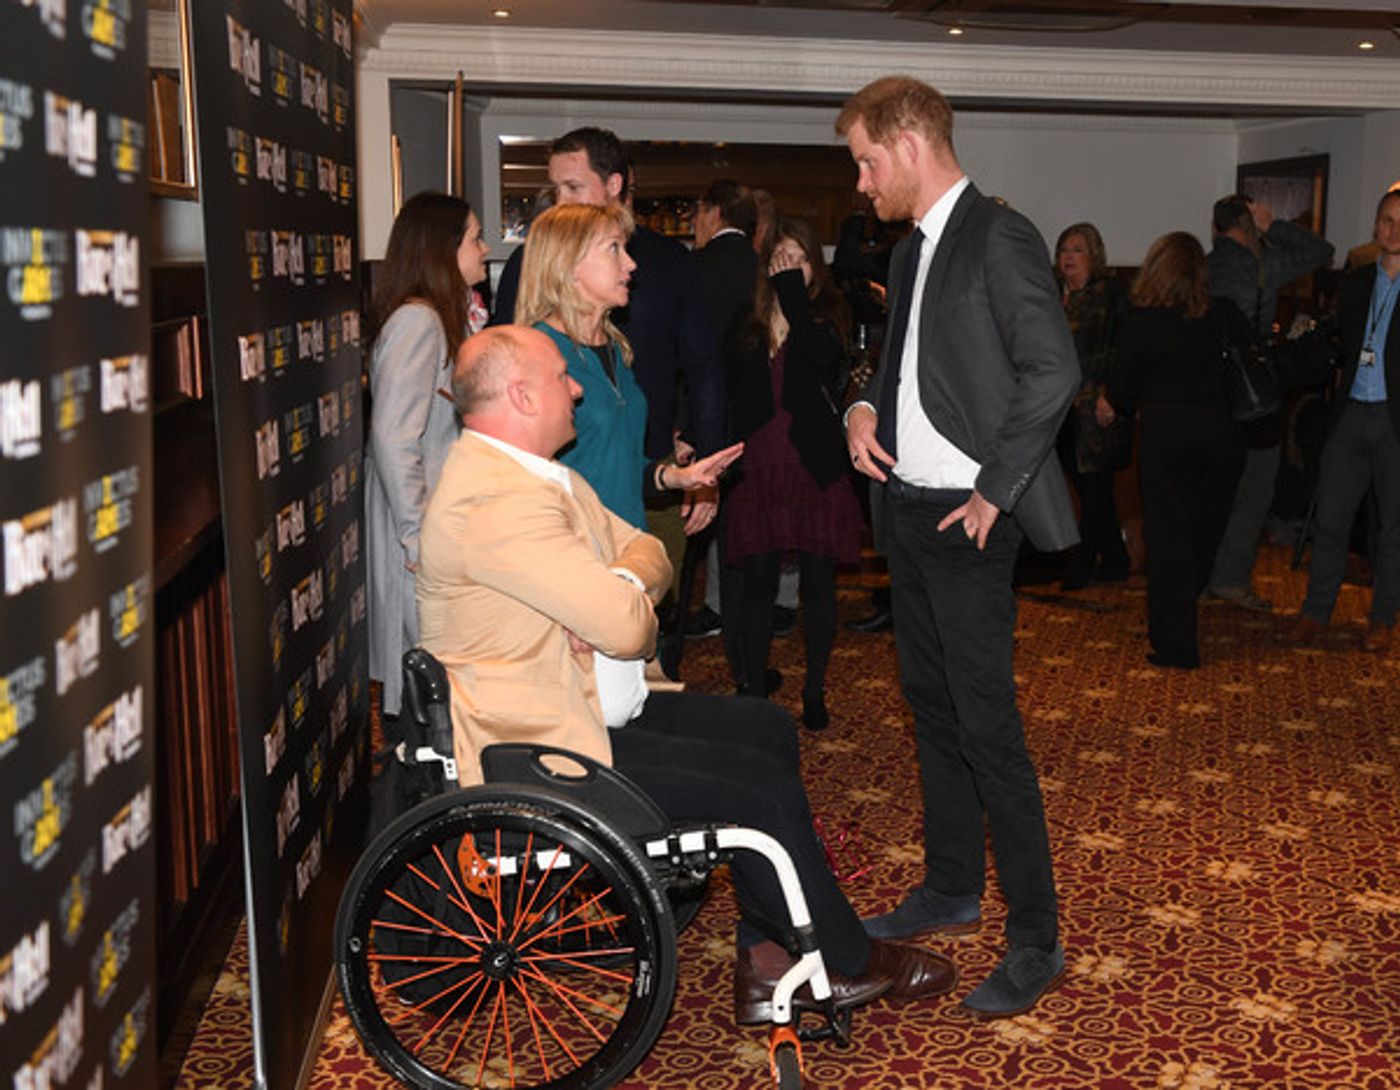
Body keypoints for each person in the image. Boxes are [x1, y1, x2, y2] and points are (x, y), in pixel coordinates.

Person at [415, 324, 957, 1025]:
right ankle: (844, 961)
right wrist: (616, 603)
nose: (576, 386)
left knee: (765, 727)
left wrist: (611, 586)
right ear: (519, 394)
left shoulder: (533, 472)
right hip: (542, 742)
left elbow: (648, 551)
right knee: (755, 793)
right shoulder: (495, 502)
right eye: (560, 376)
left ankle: (768, 954)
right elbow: (632, 625)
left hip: (582, 706)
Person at [837, 76, 1078, 1017]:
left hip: (970, 521)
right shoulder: (909, 255)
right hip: (908, 511)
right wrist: (861, 402)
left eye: (863, 160)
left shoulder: (1000, 234)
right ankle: (949, 886)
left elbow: (1053, 370)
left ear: (905, 143)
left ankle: (1036, 939)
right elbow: (894, 361)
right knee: (931, 712)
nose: (861, 183)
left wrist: (994, 487)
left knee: (990, 732)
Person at [513, 201, 741, 530]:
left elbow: (618, 463)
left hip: (627, 547)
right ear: (570, 263)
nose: (631, 264)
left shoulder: (616, 348)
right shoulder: (534, 352)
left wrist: (675, 477)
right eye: (614, 249)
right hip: (573, 555)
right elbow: (520, 479)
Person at [724, 218, 862, 731]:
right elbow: (731, 385)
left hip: (812, 466)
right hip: (759, 465)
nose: (787, 266)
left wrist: (794, 298)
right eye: (779, 258)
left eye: (797, 258)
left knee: (818, 583)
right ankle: (757, 690)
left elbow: (826, 359)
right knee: (757, 581)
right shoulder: (749, 319)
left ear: (814, 266)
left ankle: (814, 690)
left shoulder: (826, 314)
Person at [364, 192, 489, 721]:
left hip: (436, 520)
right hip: (418, 527)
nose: (485, 249)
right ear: (445, 247)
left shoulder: (443, 317)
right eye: (475, 238)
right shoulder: (419, 323)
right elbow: (395, 438)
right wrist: (418, 535)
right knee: (424, 676)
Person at [1099, 233, 1249, 668]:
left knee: (1169, 541)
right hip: (1223, 437)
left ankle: (1175, 643)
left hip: (1168, 438)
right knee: (1205, 533)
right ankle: (1184, 609)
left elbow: (1123, 390)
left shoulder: (1144, 321)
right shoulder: (1224, 313)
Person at [1206, 194, 1334, 611]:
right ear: (1248, 226)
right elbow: (1322, 252)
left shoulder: (1202, 268)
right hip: (1254, 393)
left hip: (1207, 394)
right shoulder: (1262, 266)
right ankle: (1230, 578)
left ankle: (1204, 576)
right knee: (1255, 489)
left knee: (1211, 489)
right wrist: (1273, 226)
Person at [1289, 189, 1400, 653]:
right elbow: (1336, 345)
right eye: (1387, 220)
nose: (1394, 230)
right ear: (1375, 226)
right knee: (1331, 520)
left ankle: (1382, 618)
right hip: (1351, 414)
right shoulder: (1354, 285)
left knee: (1393, 529)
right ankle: (1316, 613)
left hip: (1395, 423)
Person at [1054, 222, 1132, 589]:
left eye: (1077, 250)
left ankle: (1081, 566)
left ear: (1094, 256)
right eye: (1064, 250)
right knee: (1091, 491)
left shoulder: (1110, 294)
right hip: (1057, 411)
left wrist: (1112, 395)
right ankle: (1116, 560)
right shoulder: (1050, 295)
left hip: (1096, 409)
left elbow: (1126, 349)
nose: (1068, 257)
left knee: (1095, 490)